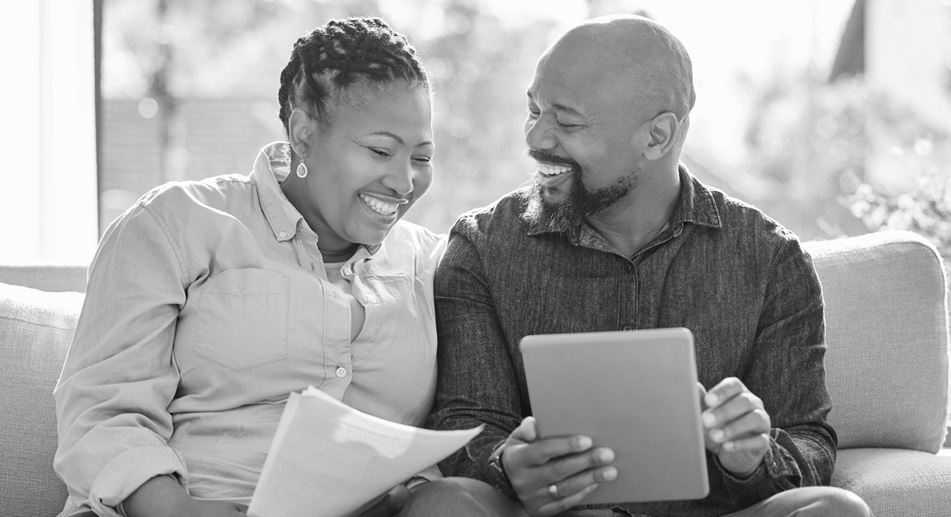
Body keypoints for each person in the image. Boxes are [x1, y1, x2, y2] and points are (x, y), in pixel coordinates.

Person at [427, 14, 874, 517]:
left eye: (567, 121)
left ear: (657, 136)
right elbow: (465, 421)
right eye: (533, 109)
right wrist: (507, 464)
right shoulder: (482, 245)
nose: (537, 137)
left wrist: (751, 457)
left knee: (838, 509)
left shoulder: (770, 257)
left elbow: (809, 441)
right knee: (444, 503)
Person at [55, 17, 455, 517]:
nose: (403, 181)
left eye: (422, 157)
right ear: (304, 134)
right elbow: (102, 409)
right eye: (380, 151)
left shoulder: (430, 263)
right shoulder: (175, 224)